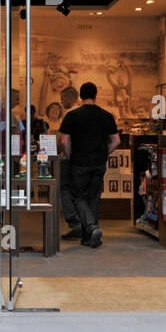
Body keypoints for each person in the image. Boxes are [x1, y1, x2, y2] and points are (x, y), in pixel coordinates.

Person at [58, 81, 119, 248]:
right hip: (99, 163)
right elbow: (116, 141)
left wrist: (71, 156)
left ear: (81, 95)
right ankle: (89, 238)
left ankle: (92, 227)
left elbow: (64, 141)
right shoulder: (106, 116)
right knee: (93, 198)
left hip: (79, 162)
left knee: (79, 197)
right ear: (95, 95)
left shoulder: (72, 115)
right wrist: (103, 153)